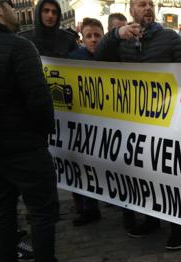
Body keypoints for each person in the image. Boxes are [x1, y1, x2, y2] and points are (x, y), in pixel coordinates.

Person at [0, 0, 89, 262]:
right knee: (43, 211)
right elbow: (39, 100)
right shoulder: (17, 47)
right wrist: (43, 135)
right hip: (22, 145)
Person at [95, 0, 181, 250]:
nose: (147, 7)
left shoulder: (170, 38)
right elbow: (99, 56)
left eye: (150, 3)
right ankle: (152, 219)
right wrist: (116, 34)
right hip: (136, 123)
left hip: (168, 121)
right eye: (141, 3)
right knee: (145, 173)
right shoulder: (122, 40)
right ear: (131, 10)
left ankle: (178, 227)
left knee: (169, 175)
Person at [67, 18, 104, 226]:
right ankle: (89, 208)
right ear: (82, 38)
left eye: (97, 35)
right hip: (82, 123)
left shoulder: (110, 58)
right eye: (89, 36)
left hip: (106, 123)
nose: (93, 40)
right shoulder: (73, 59)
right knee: (84, 168)